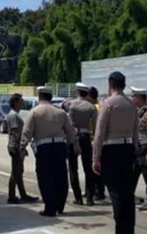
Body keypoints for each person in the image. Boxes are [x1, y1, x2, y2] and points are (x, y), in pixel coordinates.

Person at [93, 72, 138, 234]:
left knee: (116, 193)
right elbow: (135, 132)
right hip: (128, 149)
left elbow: (99, 133)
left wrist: (96, 157)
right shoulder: (131, 104)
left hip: (111, 149)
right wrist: (134, 151)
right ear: (124, 85)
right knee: (128, 193)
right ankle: (130, 232)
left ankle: (121, 233)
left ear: (110, 84)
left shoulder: (108, 104)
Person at [21, 86, 80, 217]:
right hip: (60, 146)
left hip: (44, 148)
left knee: (45, 177)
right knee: (61, 177)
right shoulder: (60, 112)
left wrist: (22, 146)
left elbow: (27, 132)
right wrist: (75, 144)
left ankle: (50, 208)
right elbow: (70, 131)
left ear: (39, 97)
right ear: (51, 97)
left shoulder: (34, 112)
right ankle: (60, 206)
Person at [66, 83, 98, 206]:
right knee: (88, 168)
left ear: (77, 92)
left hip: (72, 136)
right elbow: (95, 126)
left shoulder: (70, 104)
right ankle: (90, 198)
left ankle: (78, 197)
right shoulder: (91, 107)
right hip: (85, 136)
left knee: (73, 168)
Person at [6, 94, 38, 204]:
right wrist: (21, 148)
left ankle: (23, 195)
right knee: (15, 172)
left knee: (19, 172)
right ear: (15, 103)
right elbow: (15, 133)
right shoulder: (14, 116)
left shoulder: (15, 115)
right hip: (15, 147)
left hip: (16, 146)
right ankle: (11, 196)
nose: (23, 103)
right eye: (21, 101)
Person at [130, 87, 147, 209]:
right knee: (133, 174)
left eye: (133, 96)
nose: (132, 99)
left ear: (139, 98)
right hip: (138, 147)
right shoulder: (138, 111)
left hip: (145, 147)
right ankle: (129, 198)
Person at [87, 86, 107, 203]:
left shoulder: (94, 108)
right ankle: (99, 191)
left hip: (94, 140)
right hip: (101, 140)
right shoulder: (101, 106)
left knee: (95, 168)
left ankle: (98, 192)